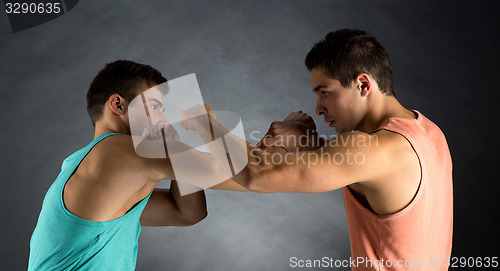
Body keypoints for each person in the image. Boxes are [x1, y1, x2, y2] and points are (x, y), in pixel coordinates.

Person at [186, 29, 453, 270]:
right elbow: (349, 163)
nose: (318, 108)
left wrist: (204, 124)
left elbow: (257, 174)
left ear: (363, 84)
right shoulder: (428, 133)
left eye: (324, 92)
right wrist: (304, 143)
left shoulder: (370, 151)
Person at [28, 60, 243, 271]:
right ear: (118, 105)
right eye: (154, 107)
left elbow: (187, 213)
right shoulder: (118, 151)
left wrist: (175, 147)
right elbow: (237, 172)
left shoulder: (89, 166)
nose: (163, 121)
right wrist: (206, 125)